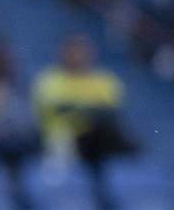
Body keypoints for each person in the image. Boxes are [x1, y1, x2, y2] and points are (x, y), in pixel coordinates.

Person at [31, 34, 135, 167]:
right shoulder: (49, 79)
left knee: (125, 141)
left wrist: (80, 110)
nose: (78, 57)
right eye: (73, 52)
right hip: (64, 138)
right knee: (61, 138)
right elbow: (57, 108)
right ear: (63, 53)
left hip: (97, 138)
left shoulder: (106, 80)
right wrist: (91, 110)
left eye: (82, 52)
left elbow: (113, 112)